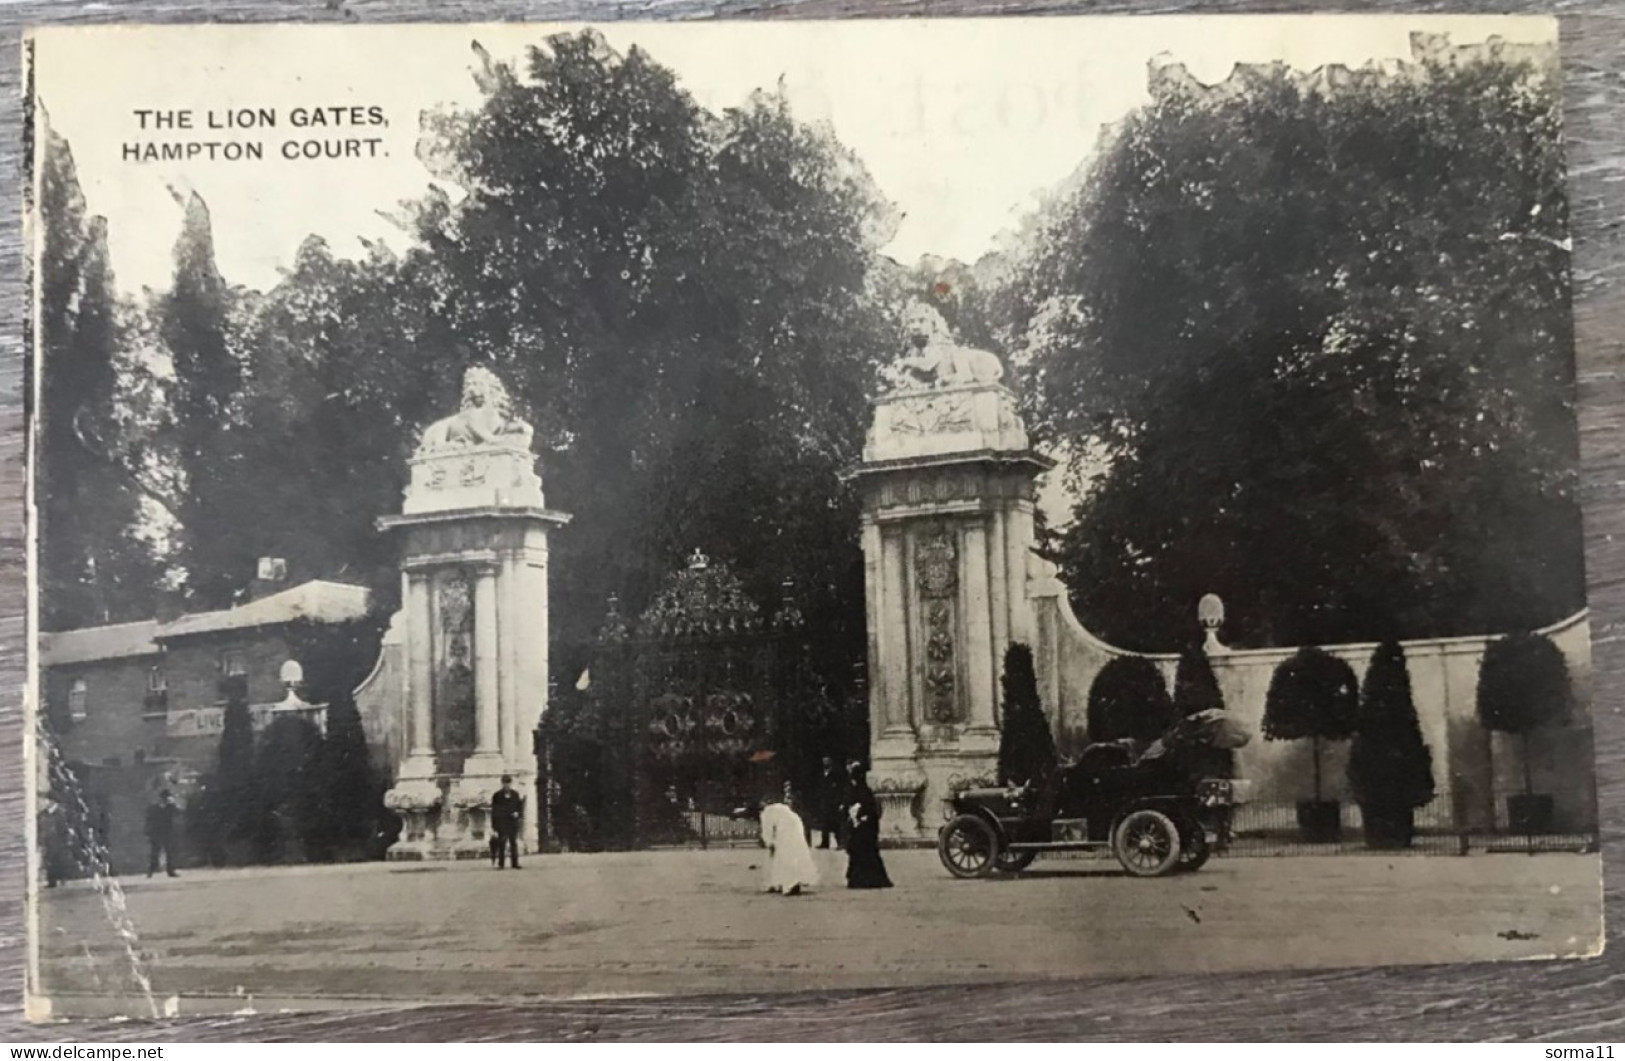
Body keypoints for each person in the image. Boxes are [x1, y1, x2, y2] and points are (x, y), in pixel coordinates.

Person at [843, 762, 893, 889]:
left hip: (864, 826)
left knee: (862, 852)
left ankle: (862, 879)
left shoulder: (862, 792)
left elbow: (870, 810)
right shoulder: (863, 791)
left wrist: (860, 818)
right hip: (862, 827)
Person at [758, 794, 818, 896]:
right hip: (795, 825)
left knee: (785, 856)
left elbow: (767, 832)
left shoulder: (766, 813)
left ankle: (789, 884)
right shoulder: (780, 807)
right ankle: (782, 882)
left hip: (786, 829)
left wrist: (769, 843)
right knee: (795, 853)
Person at [489, 775, 524, 870]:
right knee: (502, 843)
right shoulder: (497, 796)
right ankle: (501, 864)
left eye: (508, 783)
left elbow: (519, 807)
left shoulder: (515, 794)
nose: (506, 785)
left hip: (512, 822)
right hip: (502, 822)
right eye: (505, 783)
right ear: (502, 783)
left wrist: (518, 814)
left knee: (513, 842)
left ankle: (515, 863)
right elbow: (495, 811)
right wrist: (494, 826)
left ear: (510, 783)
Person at [815, 756, 849, 850]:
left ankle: (839, 843)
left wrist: (839, 802)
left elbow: (839, 789)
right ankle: (825, 842)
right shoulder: (821, 774)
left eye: (827, 761)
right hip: (824, 802)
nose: (825, 762)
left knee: (836, 824)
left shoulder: (835, 775)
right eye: (824, 760)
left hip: (833, 803)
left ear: (830, 762)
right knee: (824, 824)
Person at [145, 789, 179, 879]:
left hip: (166, 832)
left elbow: (177, 813)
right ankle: (151, 870)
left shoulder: (170, 807)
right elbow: (150, 820)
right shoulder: (154, 808)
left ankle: (170, 870)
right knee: (155, 853)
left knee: (169, 852)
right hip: (157, 832)